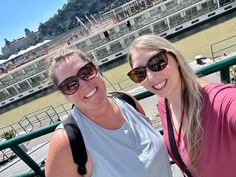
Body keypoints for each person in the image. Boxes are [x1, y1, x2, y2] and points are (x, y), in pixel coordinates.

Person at [45, 48, 173, 177]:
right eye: (70, 84)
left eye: (85, 72)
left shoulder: (127, 100)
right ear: (64, 93)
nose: (84, 85)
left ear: (96, 69)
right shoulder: (66, 140)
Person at [127, 34, 236, 177]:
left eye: (157, 63)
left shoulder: (222, 101)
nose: (151, 77)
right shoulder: (163, 106)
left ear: (176, 58)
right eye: (139, 73)